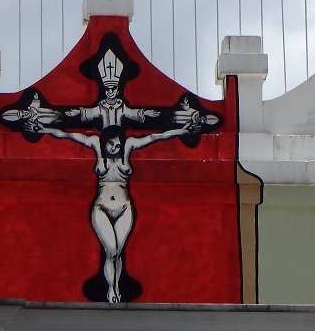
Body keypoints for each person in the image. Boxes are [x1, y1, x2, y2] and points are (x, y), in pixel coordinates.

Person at [25, 115, 203, 303]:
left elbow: (157, 137)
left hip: (124, 207)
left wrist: (183, 130)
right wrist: (42, 127)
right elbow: (67, 135)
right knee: (110, 250)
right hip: (101, 207)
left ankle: (116, 290)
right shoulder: (95, 143)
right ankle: (112, 289)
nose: (114, 149)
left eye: (117, 146)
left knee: (118, 251)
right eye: (111, 145)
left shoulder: (128, 146)